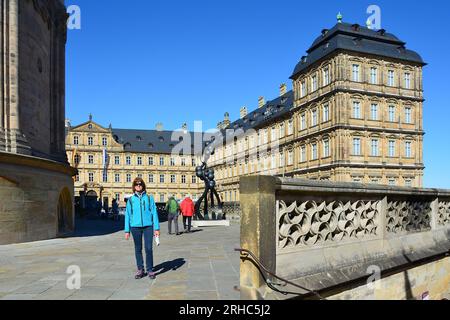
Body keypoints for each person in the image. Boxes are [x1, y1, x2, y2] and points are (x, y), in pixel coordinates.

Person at [124, 178, 160, 280]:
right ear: (134, 186)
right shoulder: (131, 200)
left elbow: (154, 213)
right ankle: (140, 269)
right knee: (138, 249)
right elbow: (127, 215)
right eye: (136, 184)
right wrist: (127, 230)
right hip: (135, 227)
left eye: (140, 184)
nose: (138, 186)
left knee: (148, 248)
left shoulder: (149, 198)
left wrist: (156, 228)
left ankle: (150, 269)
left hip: (148, 226)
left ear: (143, 185)